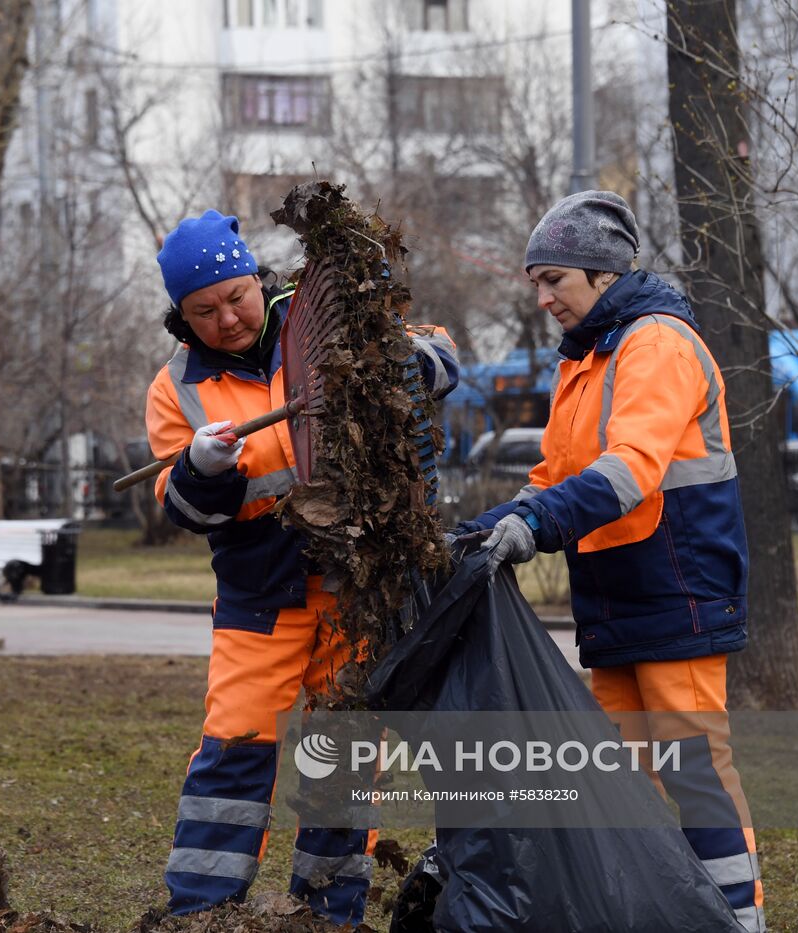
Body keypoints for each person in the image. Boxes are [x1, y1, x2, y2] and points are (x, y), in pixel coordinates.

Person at [457, 190, 765, 933]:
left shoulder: (654, 342)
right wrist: (477, 533)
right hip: (622, 597)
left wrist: (537, 522)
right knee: (613, 779)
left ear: (601, 274)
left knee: (695, 769)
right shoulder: (589, 357)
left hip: (679, 591)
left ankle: (737, 919)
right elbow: (553, 481)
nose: (541, 297)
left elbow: (630, 470)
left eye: (553, 278)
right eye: (536, 280)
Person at [147, 209, 459, 925]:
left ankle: (328, 910)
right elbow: (185, 512)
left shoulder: (325, 321)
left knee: (344, 756)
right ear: (182, 317)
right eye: (205, 311)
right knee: (234, 748)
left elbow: (442, 353)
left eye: (236, 297)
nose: (227, 318)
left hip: (357, 589)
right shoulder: (178, 389)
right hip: (262, 595)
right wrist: (202, 469)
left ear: (258, 279)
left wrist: (401, 366)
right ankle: (202, 908)